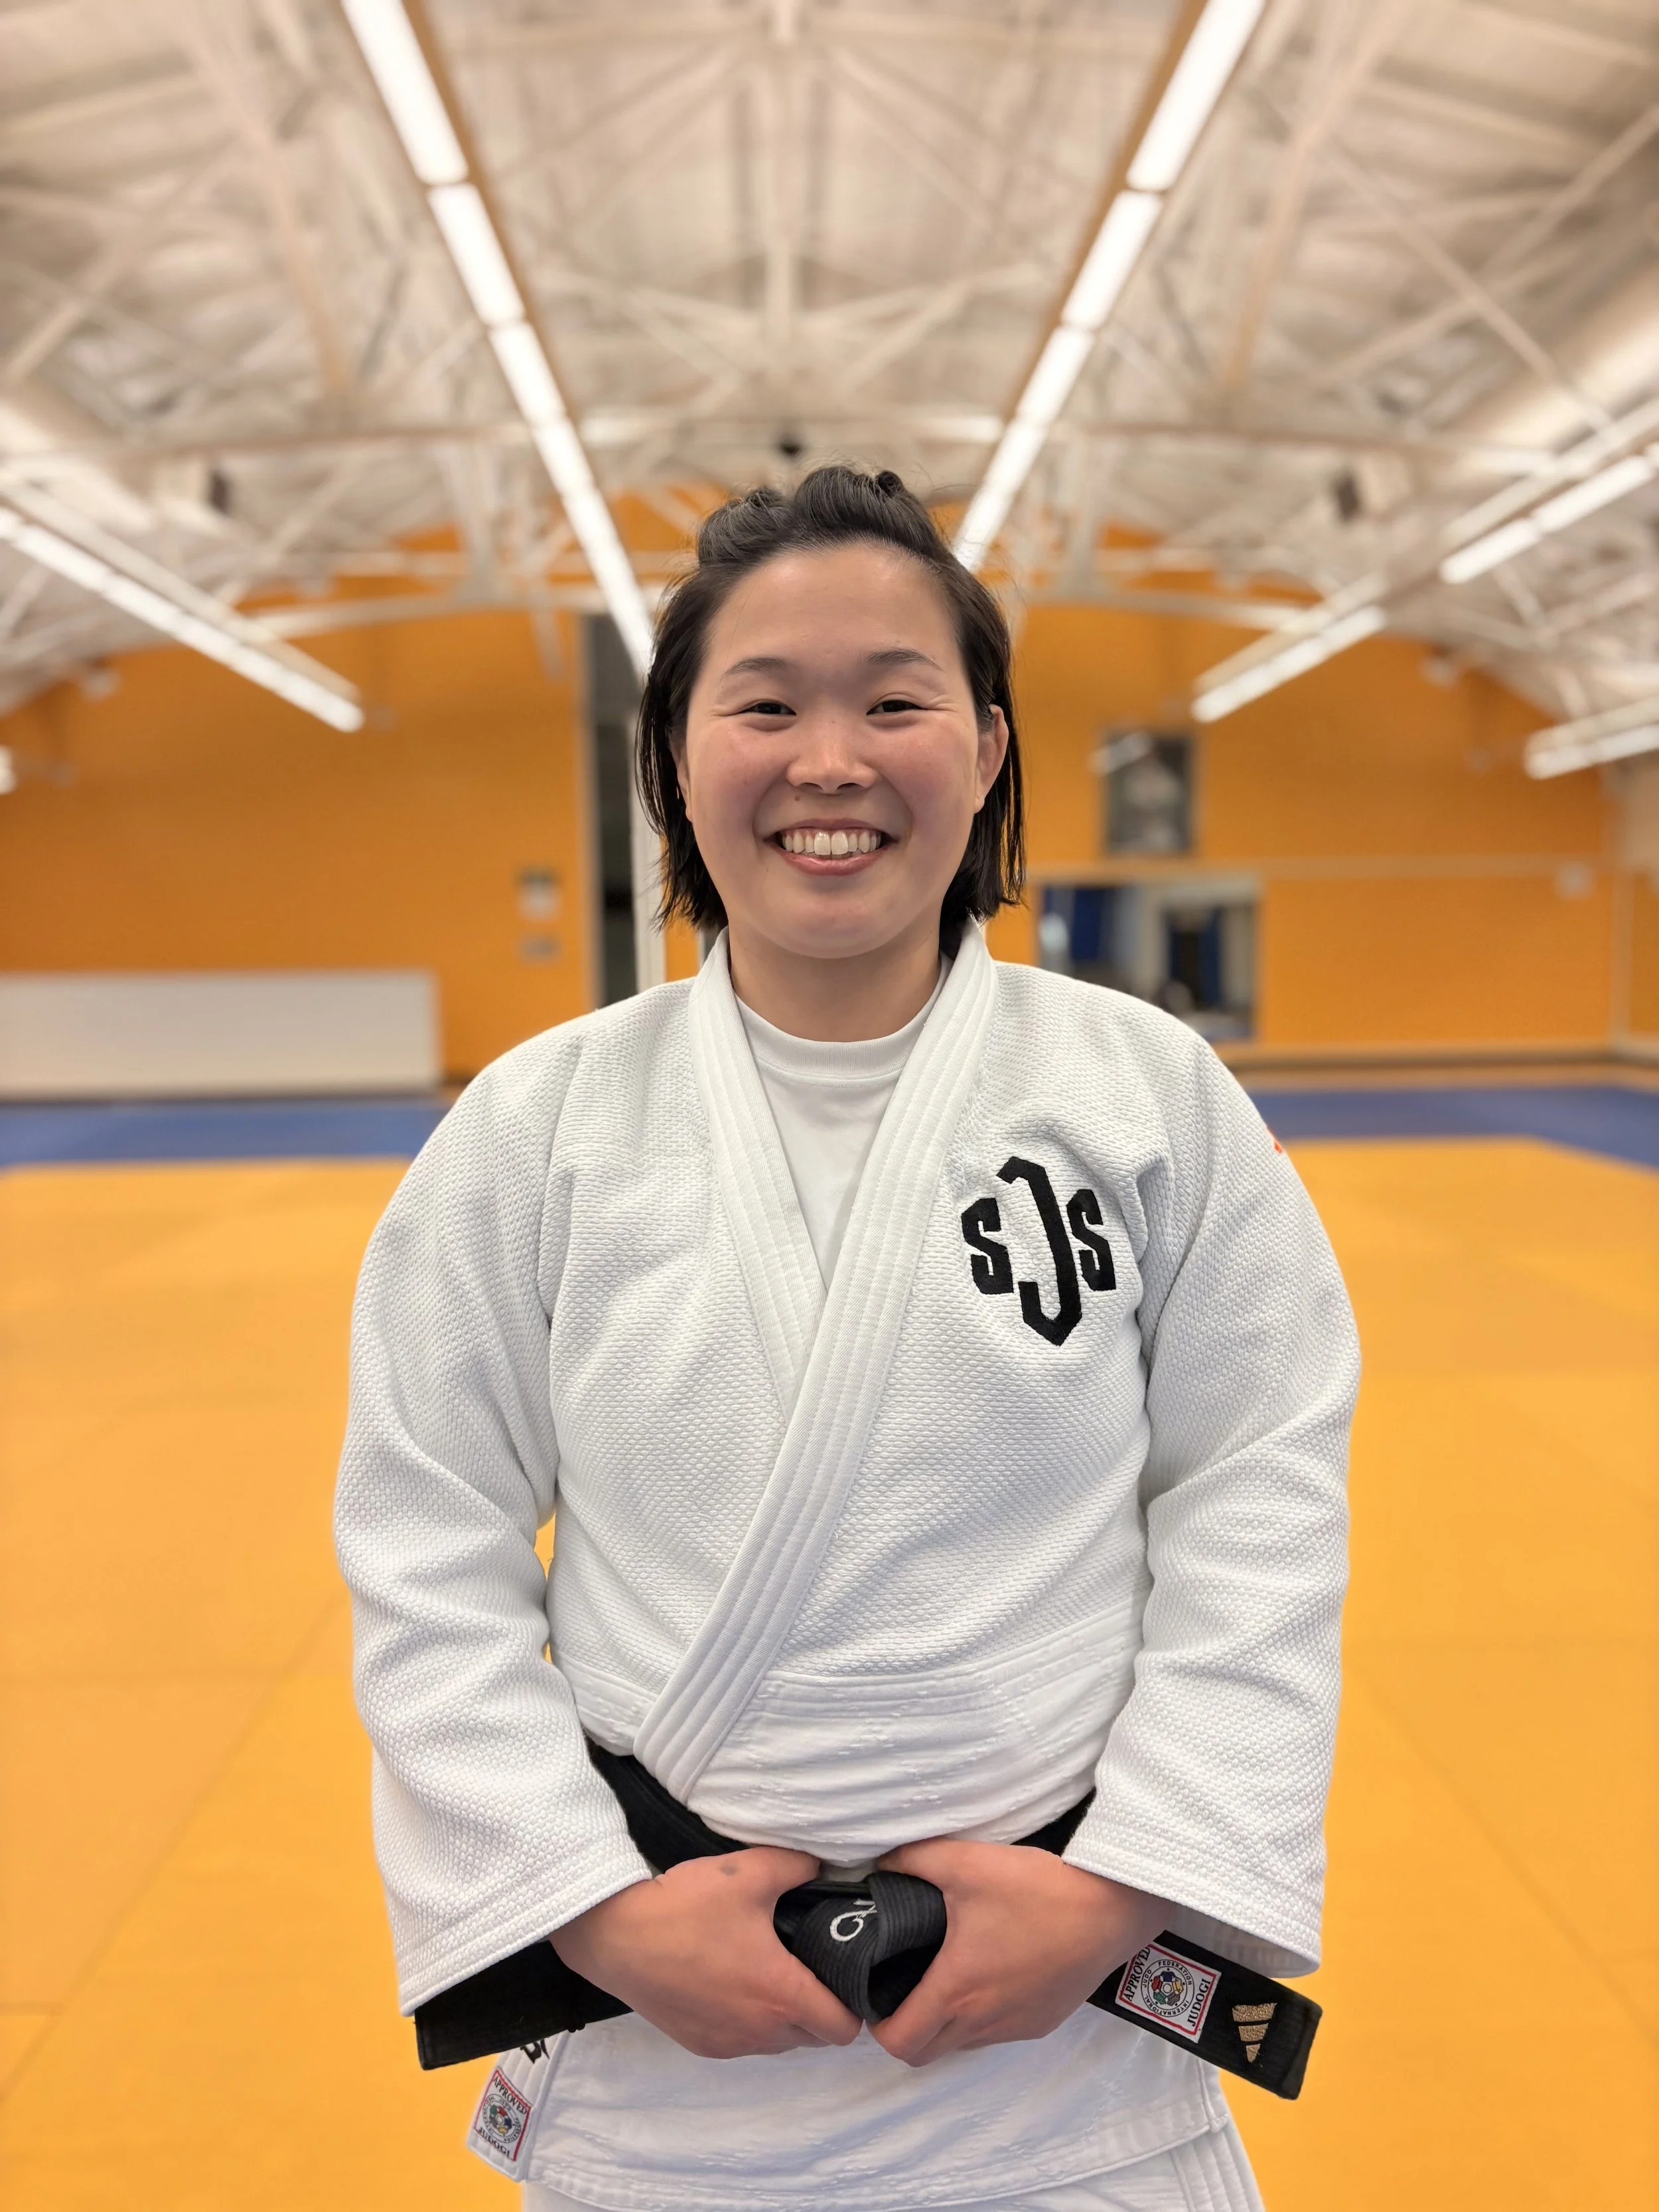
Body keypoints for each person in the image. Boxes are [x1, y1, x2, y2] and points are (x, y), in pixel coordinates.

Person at [335, 465, 1358, 2212]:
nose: (830, 760)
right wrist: (594, 1909)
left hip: (1068, 2053)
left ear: (986, 747)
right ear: (674, 759)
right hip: (666, 2064)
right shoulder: (536, 1129)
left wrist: (1120, 1892)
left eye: (894, 701)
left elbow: (1260, 1503)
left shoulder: (1146, 1097)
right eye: (764, 705)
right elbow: (423, 1542)